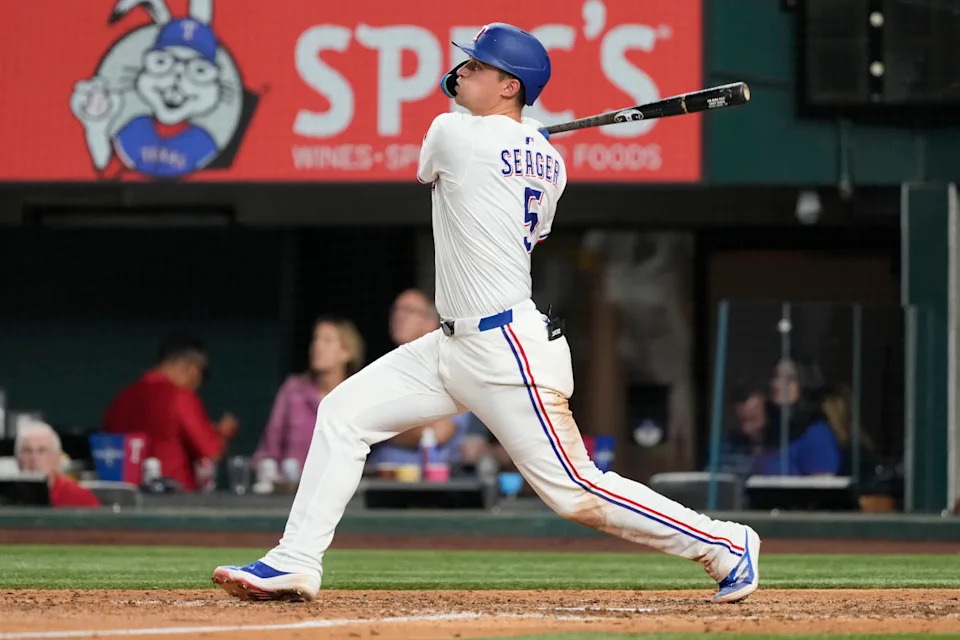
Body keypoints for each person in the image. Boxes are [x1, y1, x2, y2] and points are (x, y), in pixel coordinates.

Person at [213, 23, 759, 604]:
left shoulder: (453, 132)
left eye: (477, 65)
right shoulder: (550, 159)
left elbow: (435, 164)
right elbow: (527, 222)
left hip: (506, 348)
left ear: (509, 85)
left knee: (575, 490)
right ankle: (295, 559)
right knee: (344, 413)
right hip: (450, 344)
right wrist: (517, 139)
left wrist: (500, 137)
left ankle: (725, 543)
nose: (462, 72)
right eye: (467, 63)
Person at [104, 332, 237, 492]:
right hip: (172, 499)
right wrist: (223, 434)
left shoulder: (121, 399)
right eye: (203, 373)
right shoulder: (179, 397)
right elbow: (211, 453)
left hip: (125, 500)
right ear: (190, 367)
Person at [368, 290, 469, 469]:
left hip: (430, 484)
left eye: (408, 310)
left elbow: (438, 432)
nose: (398, 316)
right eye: (396, 310)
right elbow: (367, 426)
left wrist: (385, 429)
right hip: (379, 478)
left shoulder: (450, 369)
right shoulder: (381, 370)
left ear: (430, 321)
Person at [252, 317, 365, 473]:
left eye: (327, 340)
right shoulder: (293, 390)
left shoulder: (357, 396)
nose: (317, 346)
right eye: (315, 339)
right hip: (291, 490)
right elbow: (270, 445)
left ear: (346, 352)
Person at [754, 358, 842, 476]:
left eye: (789, 379)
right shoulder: (776, 430)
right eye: (776, 377)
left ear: (805, 385)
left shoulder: (816, 435)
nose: (776, 384)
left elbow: (822, 489)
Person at [15, 419, 100, 508]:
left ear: (56, 458)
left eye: (42, 451)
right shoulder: (6, 496)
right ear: (18, 460)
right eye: (27, 451)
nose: (34, 458)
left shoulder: (80, 497)